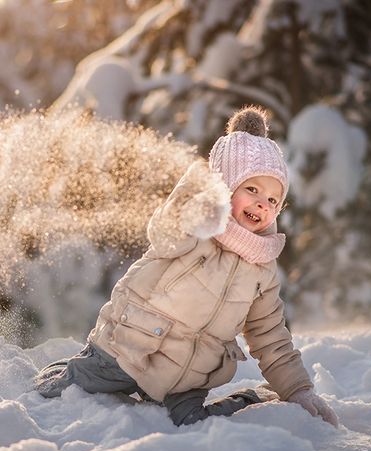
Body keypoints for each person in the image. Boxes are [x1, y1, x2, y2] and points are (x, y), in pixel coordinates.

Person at [34, 106, 339, 427]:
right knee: (58, 390)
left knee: (194, 423)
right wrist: (195, 200)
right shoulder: (194, 226)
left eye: (273, 200)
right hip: (122, 353)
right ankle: (72, 368)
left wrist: (297, 390)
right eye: (252, 189)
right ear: (225, 187)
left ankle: (253, 399)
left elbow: (270, 334)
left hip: (184, 378)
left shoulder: (261, 264)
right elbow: (163, 231)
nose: (263, 203)